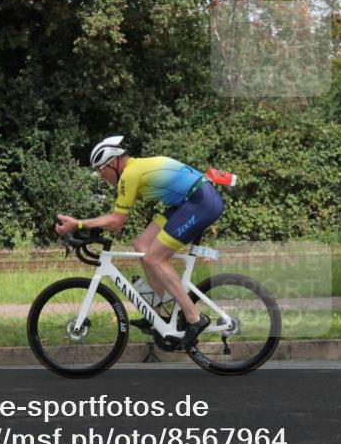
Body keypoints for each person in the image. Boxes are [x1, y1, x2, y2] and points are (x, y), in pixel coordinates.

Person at [55, 135, 224, 349]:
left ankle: (194, 317)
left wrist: (78, 224)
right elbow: (116, 220)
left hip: (200, 202)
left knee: (155, 258)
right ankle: (156, 314)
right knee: (142, 246)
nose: (101, 175)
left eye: (101, 169)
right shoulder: (133, 170)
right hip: (187, 202)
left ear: (114, 163)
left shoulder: (130, 174)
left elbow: (116, 222)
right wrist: (83, 225)